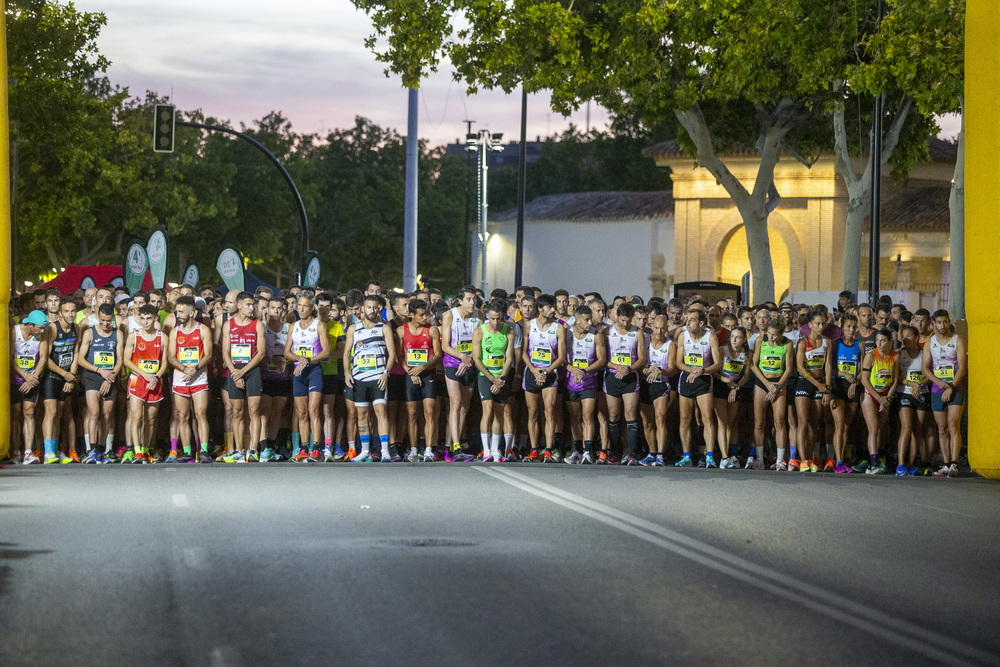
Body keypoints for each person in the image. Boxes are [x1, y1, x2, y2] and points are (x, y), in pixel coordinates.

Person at [344, 294, 397, 462]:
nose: (372, 310)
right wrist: (347, 372)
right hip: (359, 377)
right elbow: (346, 353)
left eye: (375, 308)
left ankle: (385, 450)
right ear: (362, 309)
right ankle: (365, 450)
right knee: (361, 415)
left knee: (381, 412)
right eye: (369, 307)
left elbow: (392, 353)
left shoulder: (384, 328)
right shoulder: (354, 329)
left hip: (378, 377)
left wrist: (386, 372)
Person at [220, 292, 266, 463]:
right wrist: (234, 372)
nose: (251, 308)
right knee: (236, 412)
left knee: (254, 411)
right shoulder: (228, 325)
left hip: (252, 370)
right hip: (235, 371)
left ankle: (253, 449)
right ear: (238, 306)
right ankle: (239, 450)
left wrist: (243, 371)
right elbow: (225, 353)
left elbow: (261, 353)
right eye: (248, 304)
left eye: (253, 304)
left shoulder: (258, 325)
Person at [166, 295, 213, 463]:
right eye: (177, 311)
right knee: (182, 416)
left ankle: (204, 451)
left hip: (199, 377)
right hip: (181, 378)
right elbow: (171, 357)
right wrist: (185, 368)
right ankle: (187, 452)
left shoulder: (203, 330)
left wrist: (195, 369)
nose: (178, 315)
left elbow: (208, 355)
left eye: (181, 312)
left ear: (192, 313)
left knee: (200, 413)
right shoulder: (175, 332)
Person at [521, 294, 568, 462]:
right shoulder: (529, 325)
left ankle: (548, 449)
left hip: (550, 373)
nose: (553, 309)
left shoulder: (559, 328)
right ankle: (534, 450)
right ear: (540, 309)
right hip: (532, 372)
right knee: (532, 412)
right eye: (549, 307)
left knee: (550, 411)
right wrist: (534, 371)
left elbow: (562, 357)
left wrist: (546, 371)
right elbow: (524, 353)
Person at [285, 295, 330, 462]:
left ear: (312, 308)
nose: (301, 309)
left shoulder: (319, 325)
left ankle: (316, 448)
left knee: (313, 410)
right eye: (299, 306)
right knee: (301, 412)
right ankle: (304, 448)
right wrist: (298, 359)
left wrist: (309, 360)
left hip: (314, 371)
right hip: (299, 372)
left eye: (305, 306)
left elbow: (326, 351)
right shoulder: (293, 326)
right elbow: (287, 352)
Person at [674, 308, 721, 467]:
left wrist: (702, 371)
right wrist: (690, 370)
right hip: (687, 378)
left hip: (704, 379)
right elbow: (678, 362)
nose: (687, 323)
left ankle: (709, 457)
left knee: (707, 419)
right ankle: (686, 456)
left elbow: (717, 364)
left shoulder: (710, 337)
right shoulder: (683, 336)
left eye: (692, 320)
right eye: (686, 319)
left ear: (701, 323)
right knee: (685, 420)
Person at [923, 309, 967, 477]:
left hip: (956, 388)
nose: (942, 326)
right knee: (941, 429)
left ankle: (954, 464)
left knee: (953, 425)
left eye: (945, 322)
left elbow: (962, 368)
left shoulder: (958, 341)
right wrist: (940, 383)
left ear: (949, 322)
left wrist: (950, 387)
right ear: (934, 324)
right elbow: (925, 369)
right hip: (937, 388)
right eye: (939, 322)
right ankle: (946, 463)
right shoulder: (930, 343)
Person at [77, 303, 122, 463]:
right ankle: (92, 449)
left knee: (107, 414)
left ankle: (103, 450)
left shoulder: (117, 334)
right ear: (98, 317)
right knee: (94, 412)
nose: (105, 324)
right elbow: (81, 359)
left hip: (110, 377)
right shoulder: (90, 333)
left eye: (108, 321)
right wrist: (99, 371)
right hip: (92, 376)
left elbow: (120, 360)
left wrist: (110, 377)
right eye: (102, 320)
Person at [439, 286, 481, 462]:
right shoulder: (449, 315)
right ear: (460, 301)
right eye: (469, 299)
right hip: (453, 362)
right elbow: (445, 346)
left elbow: (480, 341)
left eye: (474, 299)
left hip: (470, 362)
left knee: (465, 406)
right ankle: (456, 447)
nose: (473, 302)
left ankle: (450, 445)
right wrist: (462, 357)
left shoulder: (479, 316)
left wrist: (469, 359)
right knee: (455, 403)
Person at [471, 298, 515, 462]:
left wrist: (501, 378)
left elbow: (509, 358)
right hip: (485, 376)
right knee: (487, 410)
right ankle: (486, 449)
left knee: (499, 413)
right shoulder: (479, 331)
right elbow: (477, 359)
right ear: (487, 315)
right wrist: (492, 379)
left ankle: (496, 451)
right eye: (492, 318)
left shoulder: (509, 331)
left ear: (503, 316)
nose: (496, 322)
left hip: (501, 376)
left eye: (499, 318)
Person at [397, 298, 441, 462]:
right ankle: (414, 449)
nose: (426, 318)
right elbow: (398, 356)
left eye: (427, 314)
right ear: (412, 315)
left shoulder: (432, 330)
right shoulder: (402, 331)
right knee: (412, 414)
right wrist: (410, 372)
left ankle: (429, 449)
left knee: (429, 412)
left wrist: (422, 368)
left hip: (427, 373)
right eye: (422, 315)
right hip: (410, 375)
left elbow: (438, 355)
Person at [123, 305, 168, 464]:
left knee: (151, 419)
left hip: (155, 380)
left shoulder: (162, 337)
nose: (145, 322)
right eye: (142, 318)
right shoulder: (133, 336)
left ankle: (147, 451)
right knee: (136, 416)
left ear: (155, 318)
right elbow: (126, 361)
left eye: (149, 318)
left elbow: (164, 362)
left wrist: (155, 377)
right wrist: (146, 375)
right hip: (138, 380)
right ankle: (137, 452)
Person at [602, 302, 646, 465]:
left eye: (628, 321)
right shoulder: (607, 332)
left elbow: (642, 358)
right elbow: (602, 359)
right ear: (616, 317)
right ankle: (615, 452)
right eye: (622, 321)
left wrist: (629, 368)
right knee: (613, 416)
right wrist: (617, 367)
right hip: (613, 377)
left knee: (630, 415)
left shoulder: (637, 333)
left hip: (630, 377)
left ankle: (632, 453)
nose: (625, 324)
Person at [749, 316, 794, 471]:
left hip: (778, 384)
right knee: (759, 423)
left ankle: (780, 461)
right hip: (762, 383)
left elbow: (789, 368)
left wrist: (777, 386)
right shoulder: (761, 341)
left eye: (775, 334)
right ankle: (760, 459)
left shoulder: (787, 344)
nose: (771, 337)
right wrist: (767, 384)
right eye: (769, 333)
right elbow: (753, 365)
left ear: (781, 333)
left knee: (779, 421)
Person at [794, 309, 833, 472]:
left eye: (823, 323)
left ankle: (810, 458)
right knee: (802, 423)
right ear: (809, 325)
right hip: (805, 383)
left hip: (820, 383)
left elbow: (829, 366)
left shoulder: (827, 342)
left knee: (814, 425)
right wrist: (819, 386)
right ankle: (802, 460)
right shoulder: (803, 342)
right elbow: (800, 368)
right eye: (817, 323)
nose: (821, 326)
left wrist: (827, 389)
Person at [41, 297, 79, 463]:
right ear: (60, 314)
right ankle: (48, 452)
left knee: (60, 414)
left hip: (66, 376)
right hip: (52, 375)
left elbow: (76, 353)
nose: (70, 314)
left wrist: (71, 377)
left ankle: (56, 450)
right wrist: (64, 375)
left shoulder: (76, 328)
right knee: (51, 412)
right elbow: (45, 358)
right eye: (67, 311)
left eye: (73, 311)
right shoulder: (53, 329)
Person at [11, 310, 50, 464]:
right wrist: (24, 376)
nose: (42, 331)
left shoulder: (42, 334)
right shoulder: (14, 332)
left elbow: (43, 358)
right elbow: (8, 357)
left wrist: (32, 377)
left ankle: (28, 452)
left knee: (29, 412)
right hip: (15, 378)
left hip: (32, 379)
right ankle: (14, 452)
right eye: (39, 328)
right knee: (15, 413)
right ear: (30, 325)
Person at [857, 329, 898, 474]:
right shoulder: (871, 355)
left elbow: (895, 380)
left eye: (883, 341)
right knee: (873, 429)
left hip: (885, 395)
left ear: (890, 342)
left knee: (880, 429)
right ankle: (873, 463)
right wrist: (879, 398)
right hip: (870, 394)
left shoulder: (894, 356)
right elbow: (864, 380)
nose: (879, 343)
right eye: (877, 340)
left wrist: (888, 398)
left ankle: (876, 459)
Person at [259, 296, 292, 462]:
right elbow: (257, 351)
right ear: (267, 309)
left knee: (277, 412)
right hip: (265, 375)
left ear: (283, 310)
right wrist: (269, 360)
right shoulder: (262, 327)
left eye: (279, 308)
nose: (275, 311)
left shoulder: (289, 327)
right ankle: (262, 446)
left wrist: (286, 361)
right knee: (264, 412)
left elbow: (293, 349)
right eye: (272, 308)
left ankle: (271, 446)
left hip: (283, 376)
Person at [712, 325, 749, 469]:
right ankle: (724, 457)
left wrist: (736, 387)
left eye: (738, 337)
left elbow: (746, 376)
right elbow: (714, 371)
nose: (734, 339)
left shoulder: (746, 354)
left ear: (744, 339)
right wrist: (724, 380)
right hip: (721, 386)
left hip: (735, 387)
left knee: (730, 424)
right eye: (732, 336)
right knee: (722, 422)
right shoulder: (722, 350)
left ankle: (727, 454)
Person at [895, 324, 930, 476]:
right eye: (903, 336)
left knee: (918, 430)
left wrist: (920, 384)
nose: (905, 338)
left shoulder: (924, 354)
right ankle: (900, 464)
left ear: (916, 338)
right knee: (907, 427)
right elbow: (896, 378)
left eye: (908, 336)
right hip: (905, 393)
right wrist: (910, 383)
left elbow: (929, 374)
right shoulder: (899, 354)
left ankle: (911, 463)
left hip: (921, 393)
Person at [639, 314, 673, 466]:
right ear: (652, 327)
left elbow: (671, 369)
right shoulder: (644, 340)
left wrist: (659, 370)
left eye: (662, 329)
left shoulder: (670, 345)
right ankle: (651, 452)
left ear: (666, 329)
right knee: (646, 422)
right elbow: (638, 364)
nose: (659, 331)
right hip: (645, 384)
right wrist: (647, 369)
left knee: (660, 418)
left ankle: (660, 454)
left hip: (661, 385)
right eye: (657, 328)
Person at [830, 314, 862, 473]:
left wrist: (855, 383)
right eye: (848, 326)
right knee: (840, 425)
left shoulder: (859, 345)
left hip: (852, 388)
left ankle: (844, 458)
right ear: (842, 328)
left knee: (847, 426)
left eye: (854, 327)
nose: (851, 330)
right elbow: (829, 369)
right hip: (837, 386)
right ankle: (838, 461)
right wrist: (843, 374)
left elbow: (863, 370)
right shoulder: (835, 345)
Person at [316, 293, 346, 462]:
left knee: (328, 411)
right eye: (322, 306)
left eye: (329, 307)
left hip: (330, 373)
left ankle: (328, 447)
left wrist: (328, 355)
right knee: (312, 411)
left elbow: (342, 351)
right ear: (316, 307)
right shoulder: (310, 325)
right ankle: (315, 446)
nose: (325, 310)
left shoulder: (337, 327)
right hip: (312, 373)